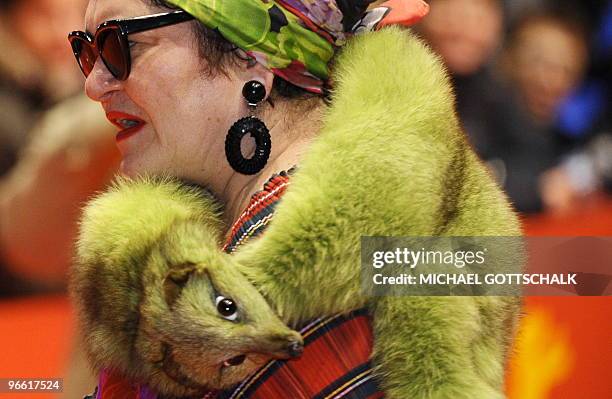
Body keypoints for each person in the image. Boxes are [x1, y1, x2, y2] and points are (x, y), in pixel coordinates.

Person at [71, 0, 519, 398]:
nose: (95, 84)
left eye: (118, 44)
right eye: (86, 50)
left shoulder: (309, 294)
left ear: (253, 60)